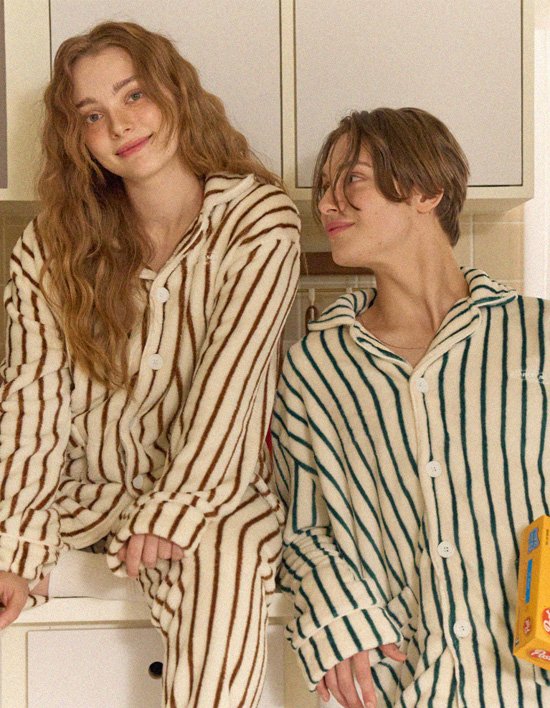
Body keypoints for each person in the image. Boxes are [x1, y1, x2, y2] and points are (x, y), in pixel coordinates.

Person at [0, 21, 300, 707]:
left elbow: (232, 388)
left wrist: (173, 511)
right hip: (86, 495)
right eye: (93, 115)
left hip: (217, 492)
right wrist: (15, 549)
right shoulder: (50, 246)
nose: (120, 125)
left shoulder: (258, 220)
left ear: (174, 92)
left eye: (133, 95)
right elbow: (32, 403)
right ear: (77, 139)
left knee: (223, 560)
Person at [272, 107, 550, 707]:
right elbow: (302, 531)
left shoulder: (538, 336)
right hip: (405, 682)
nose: (327, 203)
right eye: (324, 187)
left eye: (352, 179)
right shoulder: (315, 368)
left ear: (427, 191)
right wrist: (339, 617)